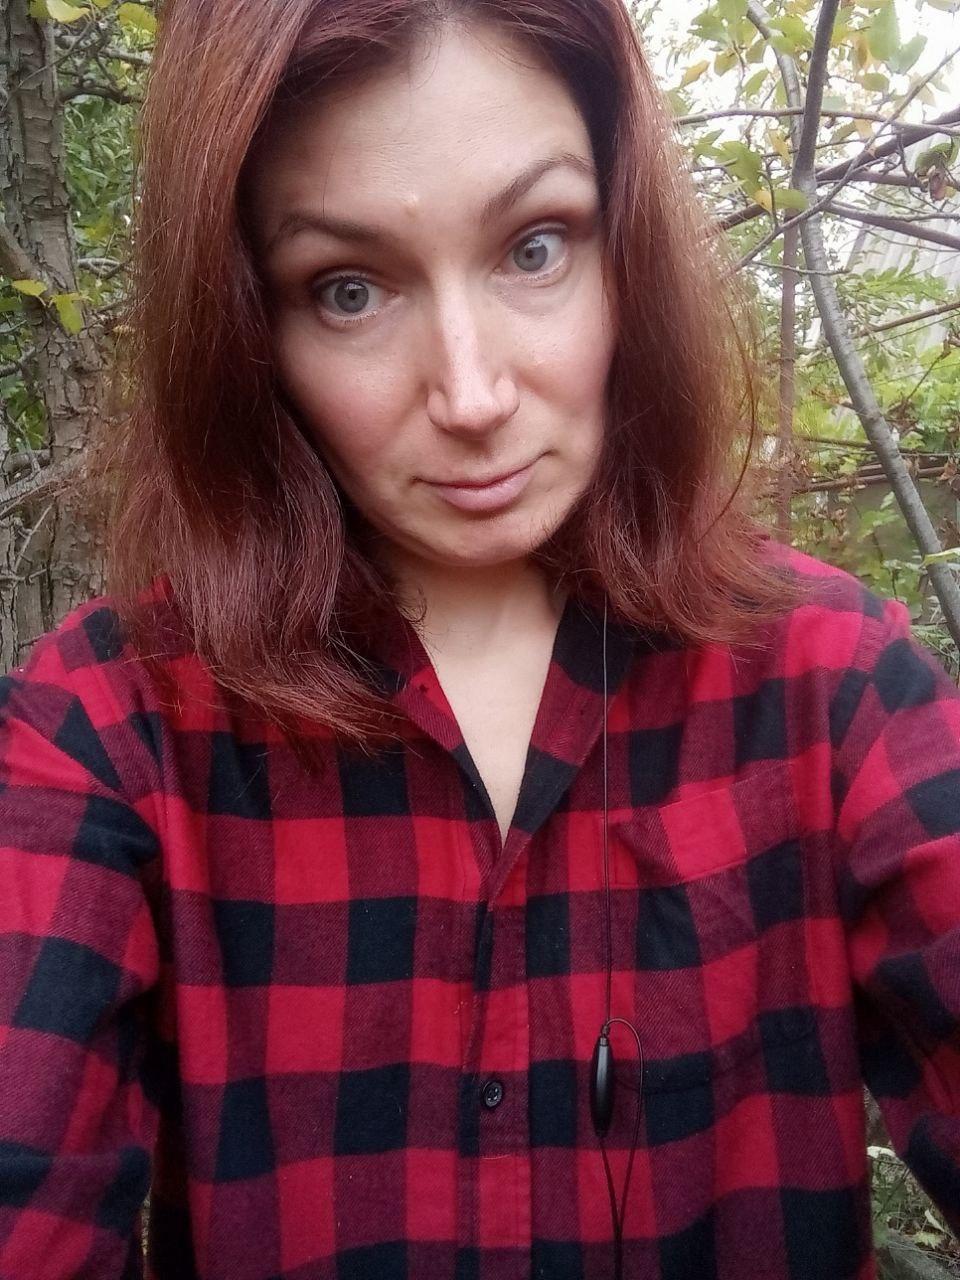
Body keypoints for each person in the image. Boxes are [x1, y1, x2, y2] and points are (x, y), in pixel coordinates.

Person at [0, 0, 958, 1277]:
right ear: (249, 329)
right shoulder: (109, 733)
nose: (472, 393)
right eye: (348, 289)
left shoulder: (833, 686)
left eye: (535, 247)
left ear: (625, 244)